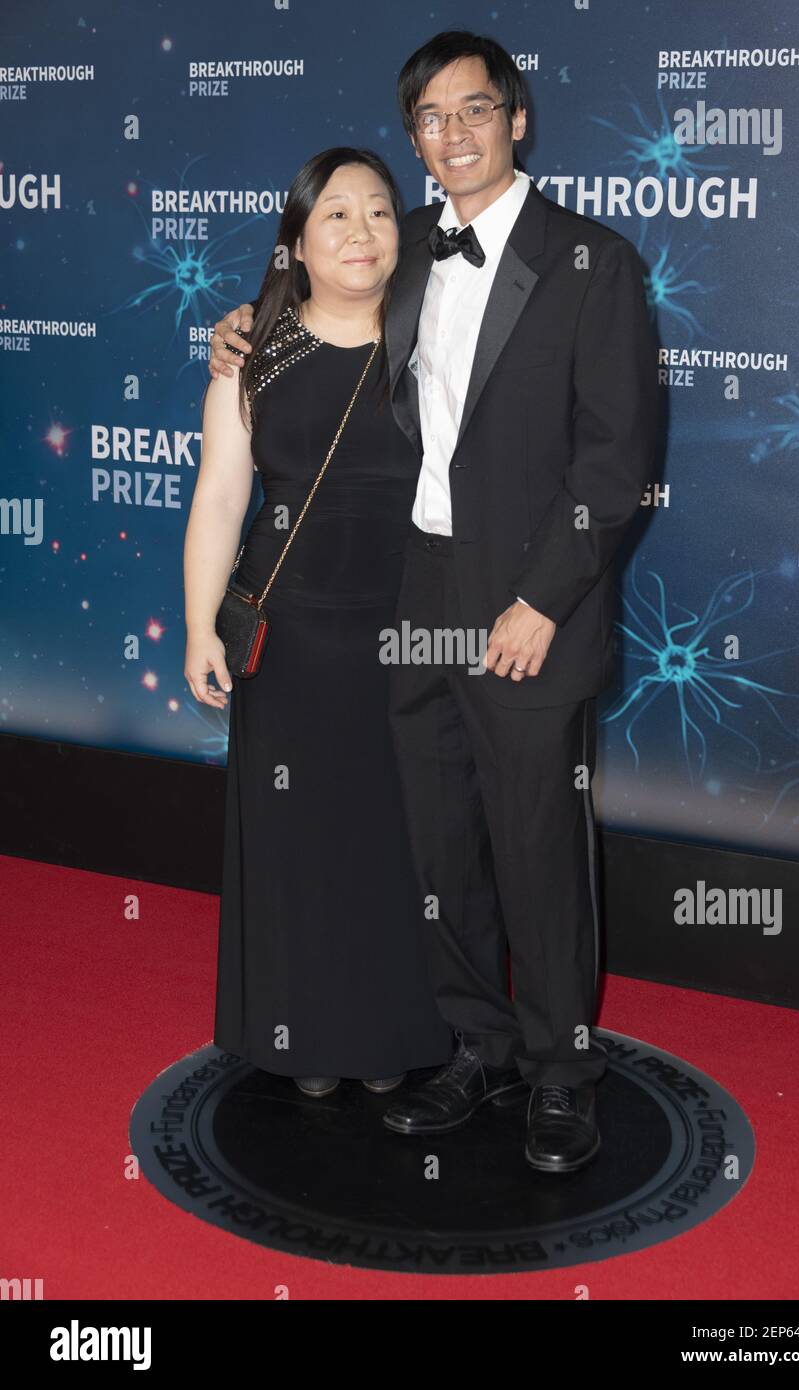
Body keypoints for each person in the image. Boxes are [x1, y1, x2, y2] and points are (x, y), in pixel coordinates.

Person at [209, 30, 657, 1172]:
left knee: (535, 841)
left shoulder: (592, 263)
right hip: (415, 591)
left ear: (516, 118)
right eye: (428, 119)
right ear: (413, 138)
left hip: (526, 604)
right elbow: (304, 292)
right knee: (441, 840)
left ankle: (562, 1071)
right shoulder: (400, 244)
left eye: (471, 111)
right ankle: (477, 1046)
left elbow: (612, 467)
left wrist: (543, 599)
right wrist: (240, 327)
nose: (449, 135)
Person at [185, 147, 452, 1099]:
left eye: (379, 212)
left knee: (398, 839)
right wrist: (197, 627)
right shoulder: (255, 352)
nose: (360, 231)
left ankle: (394, 1033)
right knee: (300, 840)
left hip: (408, 634)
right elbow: (220, 496)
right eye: (334, 215)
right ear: (294, 242)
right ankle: (302, 1037)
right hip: (290, 633)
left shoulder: (438, 338)